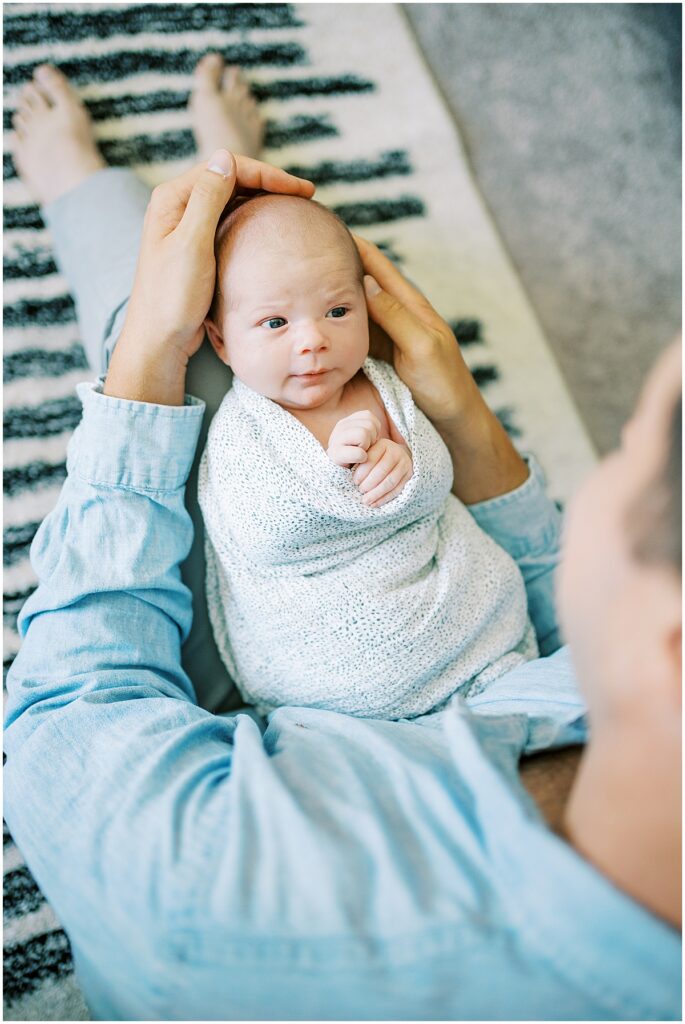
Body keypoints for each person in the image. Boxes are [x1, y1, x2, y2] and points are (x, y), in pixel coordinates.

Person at [4, 60, 681, 1020]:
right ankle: (248, 241)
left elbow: (72, 700)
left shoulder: (212, 905)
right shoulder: (622, 713)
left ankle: (96, 201)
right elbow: (553, 608)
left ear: (667, 647)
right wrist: (466, 425)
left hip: (291, 674)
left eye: (626, 453)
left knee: (184, 376)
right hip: (457, 630)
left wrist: (146, 353)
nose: (590, 482)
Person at [198, 192, 538, 718]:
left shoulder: (382, 382)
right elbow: (262, 533)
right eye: (275, 323)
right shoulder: (243, 428)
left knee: (499, 607)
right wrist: (332, 477)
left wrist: (410, 471)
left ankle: (489, 668)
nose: (312, 339)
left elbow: (438, 480)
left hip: (455, 612)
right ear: (221, 343)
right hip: (341, 664)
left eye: (337, 311)